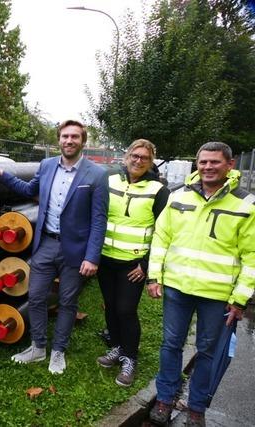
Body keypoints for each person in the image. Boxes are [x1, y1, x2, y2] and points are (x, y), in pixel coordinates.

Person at [0, 119, 109, 374]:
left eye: (74, 136)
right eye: (64, 136)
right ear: (59, 140)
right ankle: (38, 347)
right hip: (45, 244)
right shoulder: (47, 165)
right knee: (36, 296)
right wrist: (3, 174)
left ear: (82, 141)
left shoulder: (96, 175)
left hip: (75, 250)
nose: (69, 141)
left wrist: (92, 257)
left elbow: (99, 220)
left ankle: (58, 351)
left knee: (67, 301)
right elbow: (30, 189)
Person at [147, 142, 255, 427]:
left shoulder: (245, 205)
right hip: (177, 289)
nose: (207, 167)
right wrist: (154, 276)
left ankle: (196, 408)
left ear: (229, 165)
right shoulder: (177, 196)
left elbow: (252, 256)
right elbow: (161, 237)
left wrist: (240, 298)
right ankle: (164, 399)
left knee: (207, 352)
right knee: (170, 345)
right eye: (203, 162)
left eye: (214, 162)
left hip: (217, 296)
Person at [96, 139, 169, 387]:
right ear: (127, 156)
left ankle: (130, 357)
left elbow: (163, 231)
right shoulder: (109, 180)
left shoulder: (158, 190)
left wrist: (146, 264)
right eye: (134, 156)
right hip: (106, 258)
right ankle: (116, 347)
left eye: (144, 158)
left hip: (133, 264)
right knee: (111, 306)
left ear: (150, 162)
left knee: (126, 310)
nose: (138, 161)